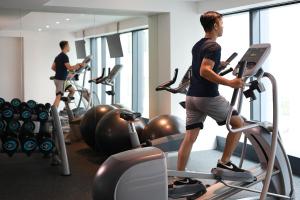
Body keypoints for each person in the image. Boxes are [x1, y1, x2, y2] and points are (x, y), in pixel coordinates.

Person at [173, 11, 249, 186]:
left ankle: (179, 176)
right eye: (221, 23)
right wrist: (230, 83)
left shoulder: (198, 45)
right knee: (238, 123)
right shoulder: (214, 46)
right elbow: (204, 71)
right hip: (207, 97)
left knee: (190, 137)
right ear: (215, 25)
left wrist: (218, 66)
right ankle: (225, 162)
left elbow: (204, 67)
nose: (222, 27)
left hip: (192, 97)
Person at [51, 41, 83, 108]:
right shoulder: (64, 56)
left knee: (72, 90)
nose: (69, 47)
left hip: (61, 80)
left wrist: (61, 71)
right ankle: (53, 114)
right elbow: (70, 68)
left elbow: (53, 67)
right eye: (68, 45)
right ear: (65, 46)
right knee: (58, 97)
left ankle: (66, 109)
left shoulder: (58, 56)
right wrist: (78, 65)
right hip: (60, 80)